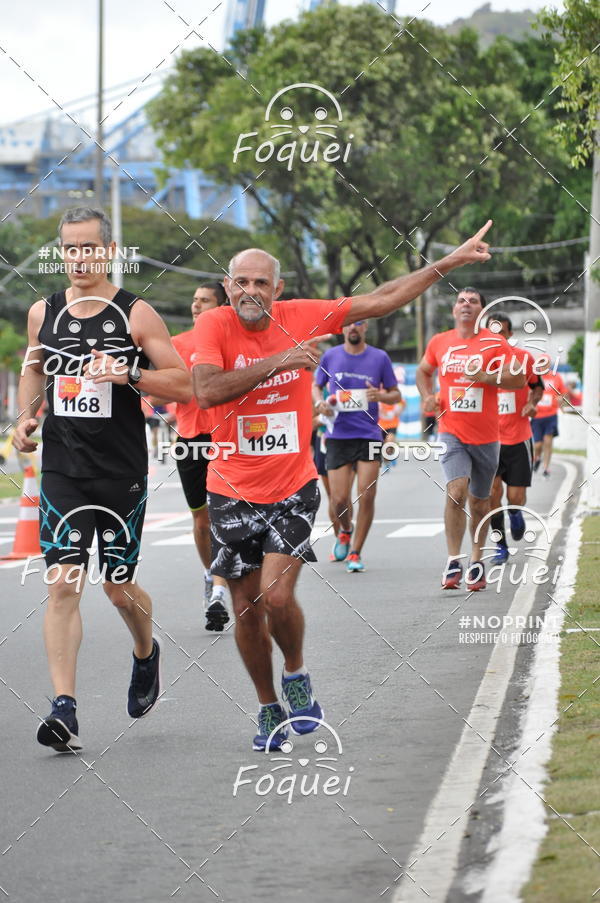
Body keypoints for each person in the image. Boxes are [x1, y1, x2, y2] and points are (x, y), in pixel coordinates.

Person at [191, 223, 493, 751]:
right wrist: (278, 362)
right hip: (231, 488)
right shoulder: (215, 324)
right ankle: (267, 707)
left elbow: (381, 299)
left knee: (276, 594)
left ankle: (297, 672)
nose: (250, 292)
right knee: (244, 606)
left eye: (261, 283)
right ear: (227, 284)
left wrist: (447, 263)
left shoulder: (300, 316)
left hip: (291, 483)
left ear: (277, 290)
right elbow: (208, 389)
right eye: (241, 282)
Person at [13, 206, 190, 752]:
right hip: (64, 468)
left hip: (120, 472)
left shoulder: (137, 315)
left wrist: (129, 372)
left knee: (116, 586)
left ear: (109, 251)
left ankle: (145, 651)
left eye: (89, 247)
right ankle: (64, 707)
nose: (79, 258)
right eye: (70, 248)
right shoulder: (43, 313)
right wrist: (25, 417)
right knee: (63, 582)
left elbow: (183, 384)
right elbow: (34, 367)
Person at [416, 286, 527, 591]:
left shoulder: (494, 343)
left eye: (473, 301)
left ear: (482, 311)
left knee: (480, 502)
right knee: (456, 491)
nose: (466, 305)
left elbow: (519, 379)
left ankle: (476, 560)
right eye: (461, 301)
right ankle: (454, 559)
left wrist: (486, 377)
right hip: (450, 432)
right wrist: (427, 397)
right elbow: (423, 371)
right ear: (454, 310)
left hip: (488, 437)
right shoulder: (440, 342)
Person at [313, 321, 401, 572]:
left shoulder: (379, 357)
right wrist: (320, 403)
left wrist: (380, 396)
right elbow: (316, 386)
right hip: (338, 435)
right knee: (339, 500)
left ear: (365, 328)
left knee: (367, 493)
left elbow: (395, 394)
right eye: (349, 324)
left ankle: (355, 552)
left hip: (369, 435)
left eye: (359, 324)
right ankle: (345, 531)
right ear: (342, 329)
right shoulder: (331, 356)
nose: (353, 328)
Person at [171, 283, 230, 630]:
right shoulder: (177, 345)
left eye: (204, 301)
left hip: (226, 438)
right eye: (193, 300)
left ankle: (220, 592)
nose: (195, 306)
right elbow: (165, 385)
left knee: (223, 517)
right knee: (202, 521)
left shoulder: (229, 340)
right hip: (189, 439)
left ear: (220, 307)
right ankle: (210, 575)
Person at [485, 313, 544, 564]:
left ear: (509, 335)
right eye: (491, 332)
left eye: (501, 332)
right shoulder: (478, 362)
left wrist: (532, 403)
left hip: (519, 438)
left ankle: (516, 512)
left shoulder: (523, 359)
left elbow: (537, 387)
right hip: (489, 442)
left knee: (515, 496)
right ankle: (501, 546)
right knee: (492, 495)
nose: (496, 337)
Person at [531, 363, 567, 476]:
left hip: (551, 415)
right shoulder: (534, 377)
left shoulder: (556, 377)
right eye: (541, 364)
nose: (543, 366)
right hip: (537, 416)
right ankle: (536, 458)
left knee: (548, 441)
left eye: (545, 364)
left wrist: (561, 401)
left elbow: (563, 393)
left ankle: (546, 467)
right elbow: (527, 393)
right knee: (538, 445)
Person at [378, 397, 405, 468]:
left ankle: (390, 456)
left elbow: (402, 404)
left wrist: (398, 410)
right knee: (384, 446)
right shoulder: (378, 395)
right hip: (380, 425)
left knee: (389, 441)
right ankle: (388, 460)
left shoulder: (394, 394)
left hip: (392, 424)